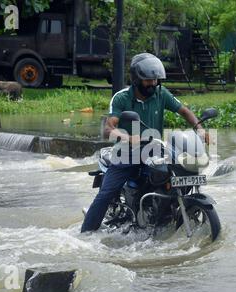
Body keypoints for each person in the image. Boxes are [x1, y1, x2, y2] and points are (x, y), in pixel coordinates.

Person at [80, 53, 208, 233]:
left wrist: (199, 128)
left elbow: (184, 111)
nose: (153, 84)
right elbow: (109, 129)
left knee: (176, 174)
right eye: (148, 80)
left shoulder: (161, 93)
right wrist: (128, 138)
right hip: (126, 153)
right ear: (136, 79)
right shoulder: (122, 98)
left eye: (156, 80)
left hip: (155, 150)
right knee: (106, 193)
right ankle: (86, 233)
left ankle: (163, 212)